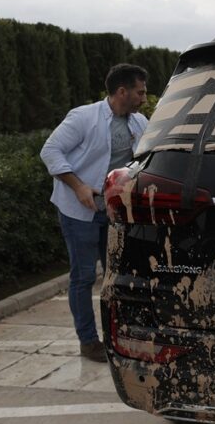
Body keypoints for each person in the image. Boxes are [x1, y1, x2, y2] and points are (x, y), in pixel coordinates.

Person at [40, 64, 148, 362]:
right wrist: (78, 186)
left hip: (113, 212)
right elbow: (50, 151)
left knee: (116, 278)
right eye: (140, 91)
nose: (144, 98)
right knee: (84, 277)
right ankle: (88, 341)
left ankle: (119, 337)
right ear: (122, 91)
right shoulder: (84, 117)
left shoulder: (139, 123)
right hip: (79, 210)